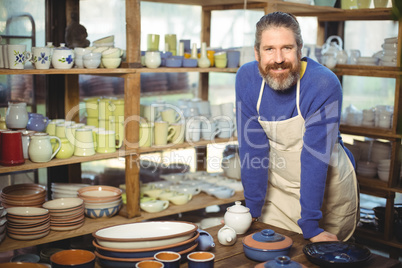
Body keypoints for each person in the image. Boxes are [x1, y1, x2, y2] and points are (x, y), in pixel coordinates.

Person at [235, 11, 359, 242]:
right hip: (280, 190)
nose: (278, 58)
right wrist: (250, 212)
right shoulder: (247, 79)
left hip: (326, 190)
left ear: (300, 50)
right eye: (269, 49)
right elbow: (253, 149)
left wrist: (311, 227)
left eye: (287, 48)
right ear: (257, 53)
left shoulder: (323, 83)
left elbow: (315, 157)